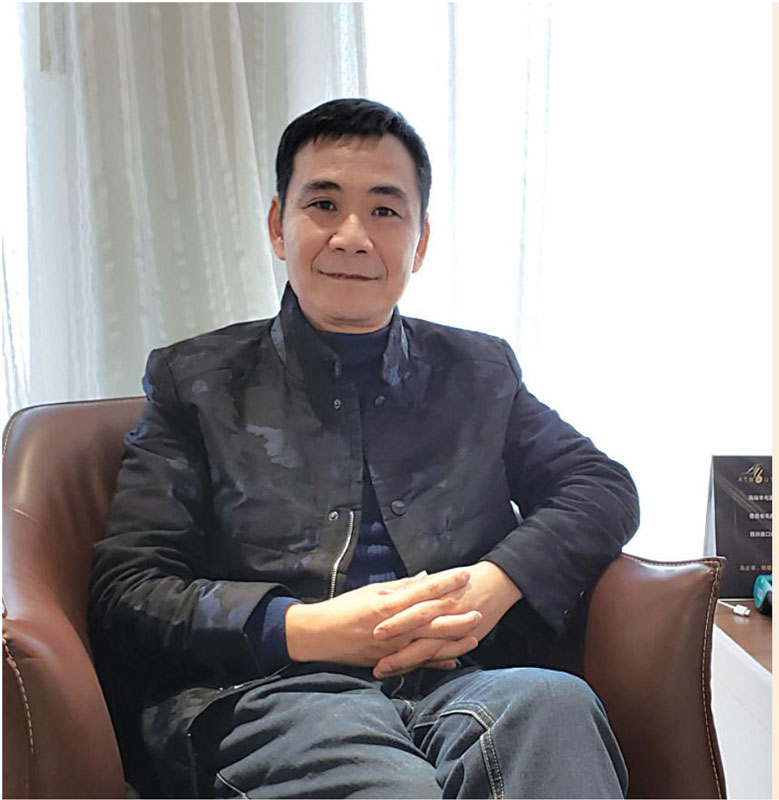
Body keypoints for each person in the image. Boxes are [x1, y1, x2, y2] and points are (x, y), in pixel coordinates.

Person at [88, 98, 640, 799]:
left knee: (554, 705)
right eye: (323, 204)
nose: (352, 237)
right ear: (277, 226)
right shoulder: (196, 381)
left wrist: (492, 586)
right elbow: (129, 590)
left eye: (384, 210)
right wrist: (305, 628)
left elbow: (600, 486)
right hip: (270, 693)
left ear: (420, 239)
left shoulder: (479, 371)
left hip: (461, 681)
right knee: (393, 788)